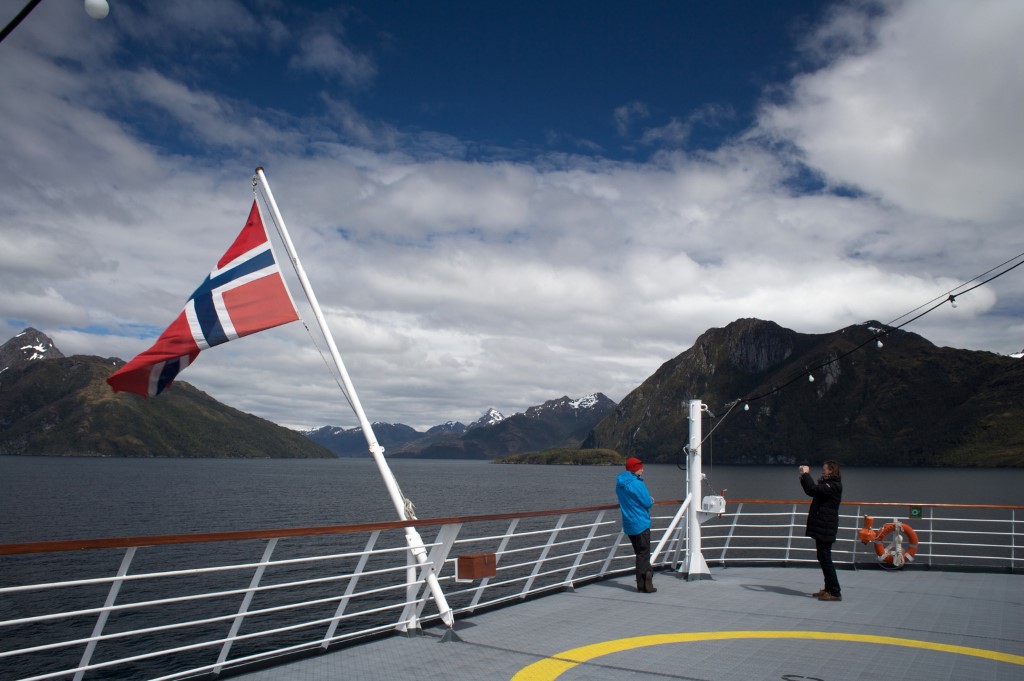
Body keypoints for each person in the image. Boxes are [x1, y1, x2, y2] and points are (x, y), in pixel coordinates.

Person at [799, 460, 843, 601]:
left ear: (831, 470)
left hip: (826, 526)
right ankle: (828, 588)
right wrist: (803, 476)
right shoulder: (828, 485)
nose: (823, 471)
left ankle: (835, 592)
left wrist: (806, 474)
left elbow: (812, 489)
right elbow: (810, 490)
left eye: (825, 469)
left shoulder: (833, 486)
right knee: (823, 557)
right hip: (823, 526)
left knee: (825, 558)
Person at [616, 456, 656, 593]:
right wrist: (651, 499)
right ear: (635, 469)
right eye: (641, 468)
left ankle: (647, 578)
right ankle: (644, 584)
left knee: (639, 553)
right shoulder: (637, 484)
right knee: (643, 554)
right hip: (641, 523)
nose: (643, 470)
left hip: (629, 524)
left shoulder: (620, 484)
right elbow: (647, 503)